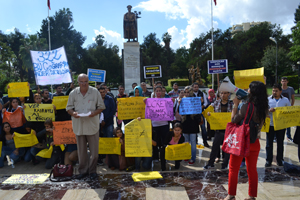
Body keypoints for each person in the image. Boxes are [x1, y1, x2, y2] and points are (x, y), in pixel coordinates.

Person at [222, 81, 268, 200]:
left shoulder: (247, 106)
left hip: (242, 142)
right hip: (254, 142)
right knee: (252, 170)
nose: (247, 90)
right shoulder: (264, 107)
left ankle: (231, 195)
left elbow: (233, 120)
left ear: (252, 92)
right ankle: (251, 196)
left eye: (249, 89)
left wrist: (236, 105)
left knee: (233, 168)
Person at [66, 73, 106, 179]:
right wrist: (73, 113)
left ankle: (92, 171)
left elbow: (101, 107)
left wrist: (94, 113)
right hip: (79, 126)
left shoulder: (95, 92)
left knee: (94, 153)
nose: (84, 84)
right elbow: (68, 108)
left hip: (92, 126)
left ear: (89, 81)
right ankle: (83, 171)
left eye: (86, 81)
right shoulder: (73, 93)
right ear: (78, 82)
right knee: (82, 152)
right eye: (81, 81)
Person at [204, 91, 233, 170]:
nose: (223, 95)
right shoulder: (215, 103)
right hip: (218, 129)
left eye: (225, 93)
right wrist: (209, 113)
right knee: (215, 147)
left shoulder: (232, 104)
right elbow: (208, 110)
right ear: (220, 94)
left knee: (227, 148)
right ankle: (210, 163)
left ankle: (225, 164)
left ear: (228, 94)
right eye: (222, 93)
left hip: (228, 130)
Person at [265, 84, 291, 167]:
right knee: (269, 143)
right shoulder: (268, 100)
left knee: (280, 143)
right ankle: (269, 160)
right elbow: (263, 110)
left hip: (281, 125)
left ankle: (280, 160)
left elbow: (289, 111)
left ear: (280, 91)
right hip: (270, 124)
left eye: (276, 91)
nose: (274, 92)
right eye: (273, 90)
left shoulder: (286, 100)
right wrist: (269, 110)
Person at [180, 86, 202, 165]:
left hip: (193, 123)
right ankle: (187, 156)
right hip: (185, 123)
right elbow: (179, 112)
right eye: (185, 92)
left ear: (191, 92)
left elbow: (198, 112)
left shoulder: (195, 100)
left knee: (193, 142)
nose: (186, 94)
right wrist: (179, 104)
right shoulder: (182, 100)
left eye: (188, 92)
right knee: (186, 142)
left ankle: (193, 158)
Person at [192, 82, 209, 147]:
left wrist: (202, 106)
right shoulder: (191, 94)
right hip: (193, 114)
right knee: (194, 128)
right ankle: (195, 142)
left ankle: (205, 141)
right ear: (192, 87)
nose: (196, 88)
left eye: (197, 87)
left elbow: (206, 102)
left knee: (203, 128)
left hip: (200, 113)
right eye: (194, 87)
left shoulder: (202, 93)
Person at [281, 77, 295, 142]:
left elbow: (293, 98)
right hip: (280, 108)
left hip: (288, 108)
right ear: (281, 82)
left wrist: (291, 106)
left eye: (285, 81)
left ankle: (288, 136)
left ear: (287, 82)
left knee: (288, 123)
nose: (284, 82)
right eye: (283, 81)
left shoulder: (290, 89)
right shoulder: (279, 89)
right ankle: (275, 136)